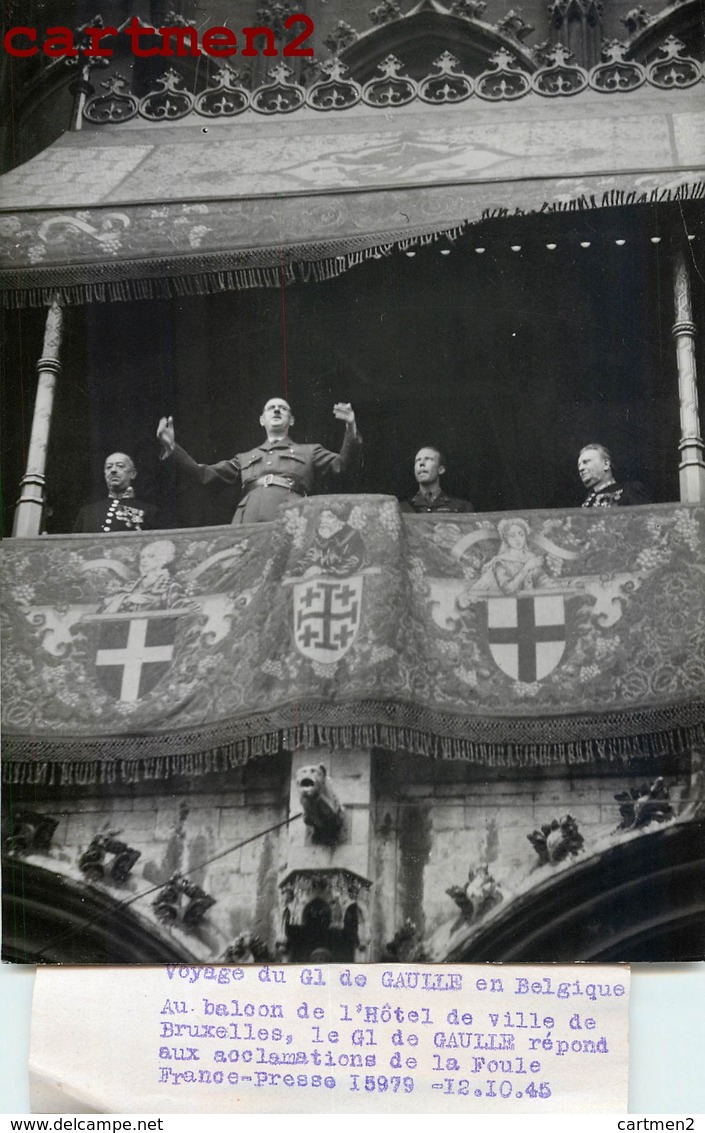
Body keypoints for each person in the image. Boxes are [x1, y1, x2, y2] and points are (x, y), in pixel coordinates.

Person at [156, 398, 361, 524]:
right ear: (262, 420)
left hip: (292, 516)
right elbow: (205, 475)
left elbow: (341, 465)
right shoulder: (245, 458)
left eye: (283, 408)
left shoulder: (309, 451)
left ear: (291, 420)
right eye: (271, 408)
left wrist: (350, 428)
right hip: (248, 518)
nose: (277, 410)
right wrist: (173, 448)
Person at [73, 452, 157, 533]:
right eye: (108, 467)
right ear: (105, 474)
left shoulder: (149, 511)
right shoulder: (88, 512)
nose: (113, 470)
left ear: (133, 474)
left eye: (120, 466)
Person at [471, 516, 548, 595]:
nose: (518, 539)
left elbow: (544, 581)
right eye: (512, 535)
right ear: (506, 538)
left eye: (521, 534)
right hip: (507, 604)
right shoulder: (501, 562)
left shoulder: (531, 558)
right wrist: (526, 568)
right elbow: (507, 589)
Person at [400, 446, 474, 513]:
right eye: (418, 460)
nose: (421, 463)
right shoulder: (401, 509)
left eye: (428, 459)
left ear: (441, 469)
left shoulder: (462, 507)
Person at [578, 443, 651, 508]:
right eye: (579, 465)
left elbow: (649, 520)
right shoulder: (587, 501)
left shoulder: (629, 490)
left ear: (606, 464)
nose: (581, 468)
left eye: (586, 462)